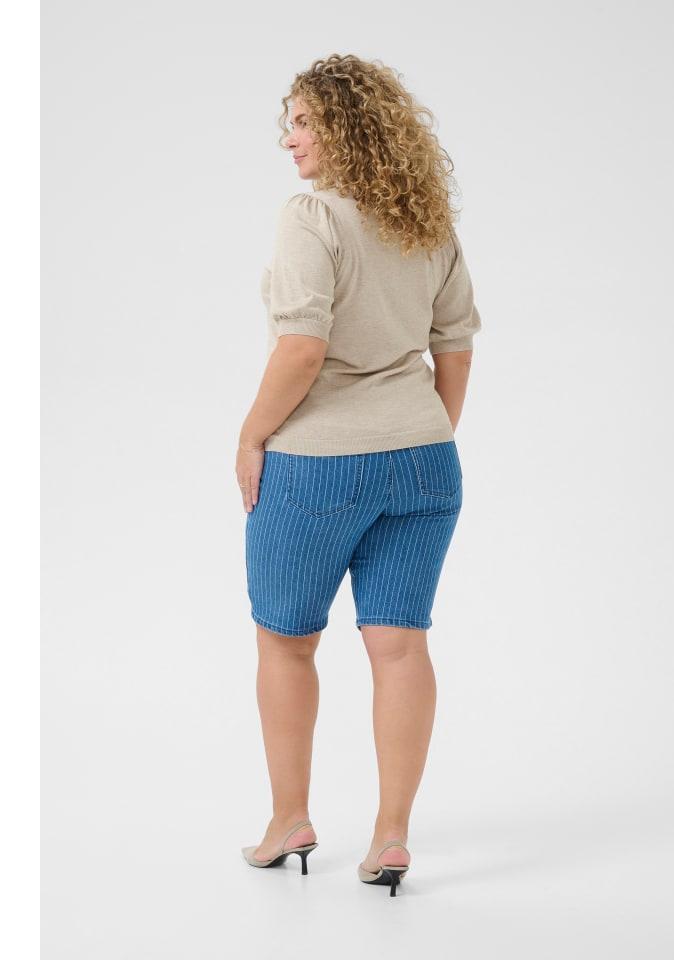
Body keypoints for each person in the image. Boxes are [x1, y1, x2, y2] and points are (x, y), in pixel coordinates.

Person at [237, 54, 481, 896]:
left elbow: (302, 348)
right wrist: (419, 438)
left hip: (317, 466)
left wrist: (251, 435)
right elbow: (455, 348)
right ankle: (391, 837)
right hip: (426, 461)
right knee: (401, 645)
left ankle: (289, 821)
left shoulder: (313, 218)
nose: (290, 139)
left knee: (285, 640)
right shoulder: (426, 221)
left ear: (346, 128)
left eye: (304, 121)